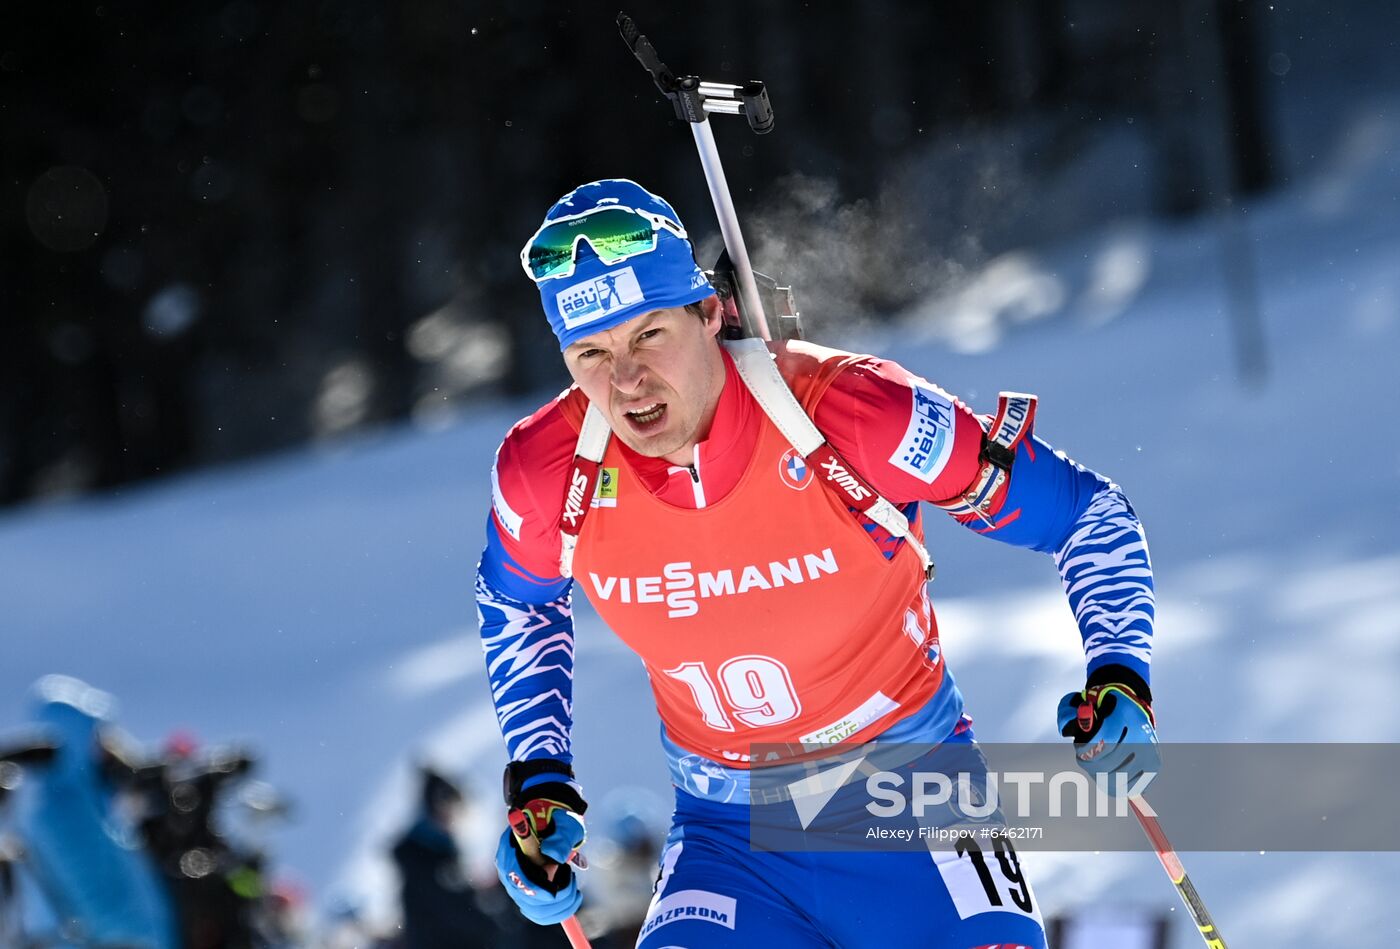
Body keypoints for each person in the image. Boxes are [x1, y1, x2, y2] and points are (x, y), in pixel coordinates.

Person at [476, 179, 1158, 947]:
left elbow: (1085, 515)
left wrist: (1119, 673)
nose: (625, 382)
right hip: (728, 839)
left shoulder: (853, 414)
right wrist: (540, 779)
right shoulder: (546, 470)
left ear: (708, 312)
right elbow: (518, 604)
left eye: (647, 336)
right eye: (590, 353)